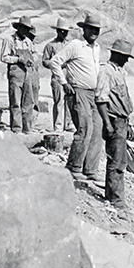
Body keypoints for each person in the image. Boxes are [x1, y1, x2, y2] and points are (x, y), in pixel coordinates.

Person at [50, 12, 105, 186]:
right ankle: (74, 167)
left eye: (97, 29)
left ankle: (90, 169)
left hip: (94, 93)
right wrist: (64, 82)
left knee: (98, 129)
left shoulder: (97, 48)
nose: (94, 32)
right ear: (84, 29)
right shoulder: (75, 45)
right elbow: (55, 62)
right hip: (78, 91)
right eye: (91, 29)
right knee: (84, 128)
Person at [95, 39, 134, 211]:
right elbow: (101, 100)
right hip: (113, 120)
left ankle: (113, 196)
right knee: (116, 162)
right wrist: (107, 124)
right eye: (125, 56)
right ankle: (116, 200)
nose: (127, 60)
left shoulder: (118, 72)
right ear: (117, 54)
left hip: (121, 121)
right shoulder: (106, 72)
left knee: (120, 161)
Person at [0, 16, 39, 134]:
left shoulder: (28, 42)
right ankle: (17, 128)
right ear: (19, 27)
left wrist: (33, 59)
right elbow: (3, 57)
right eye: (24, 28)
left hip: (28, 74)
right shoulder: (9, 40)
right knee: (16, 102)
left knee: (28, 102)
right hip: (16, 74)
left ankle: (27, 128)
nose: (26, 31)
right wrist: (18, 59)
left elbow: (35, 54)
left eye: (28, 29)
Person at [42, 17, 75, 132]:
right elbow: (45, 61)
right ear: (57, 31)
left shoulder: (71, 45)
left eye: (66, 31)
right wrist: (56, 64)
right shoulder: (50, 46)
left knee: (70, 100)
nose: (64, 33)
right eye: (61, 31)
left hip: (70, 74)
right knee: (59, 100)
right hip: (57, 75)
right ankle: (58, 125)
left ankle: (68, 123)